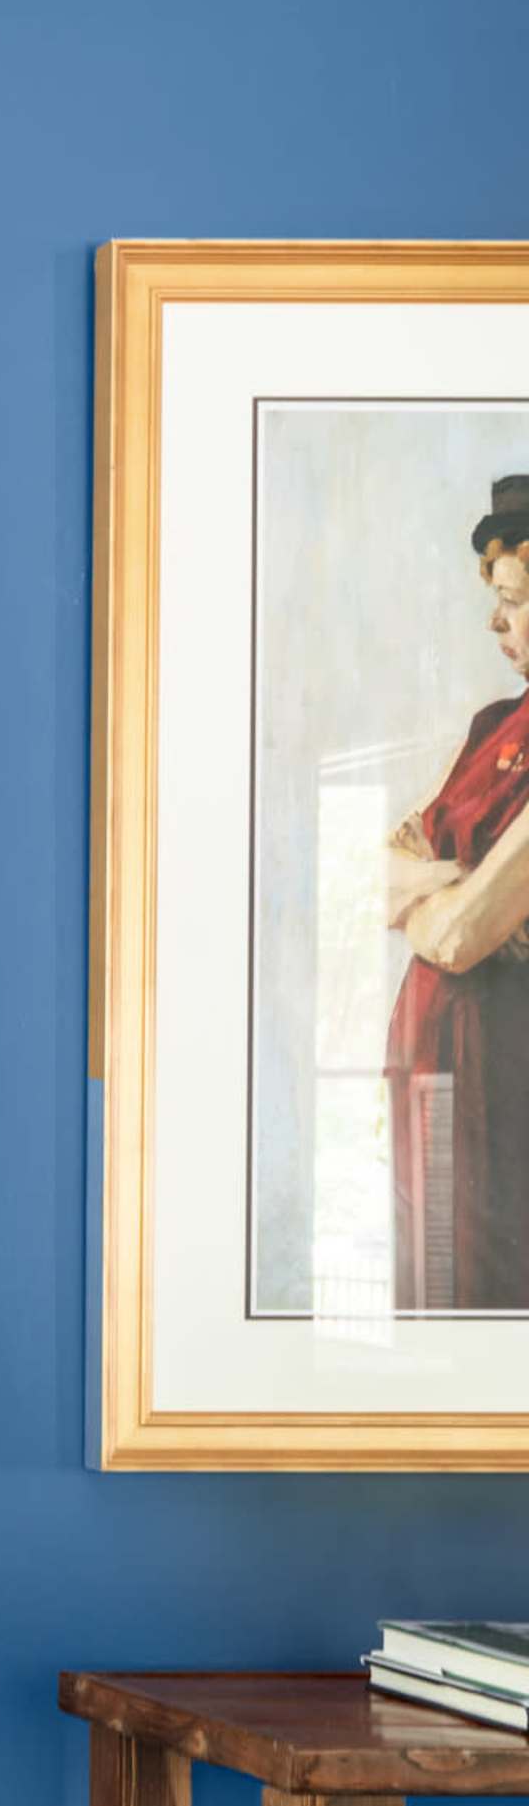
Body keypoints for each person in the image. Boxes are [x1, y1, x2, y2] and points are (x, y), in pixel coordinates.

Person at [384, 473, 529, 1310]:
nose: (494, 623)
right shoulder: (489, 727)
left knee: (485, 1294)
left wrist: (437, 896)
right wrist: (458, 881)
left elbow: (461, 940)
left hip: (502, 1078)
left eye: (512, 600)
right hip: (427, 1068)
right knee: (427, 1286)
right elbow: (378, 869)